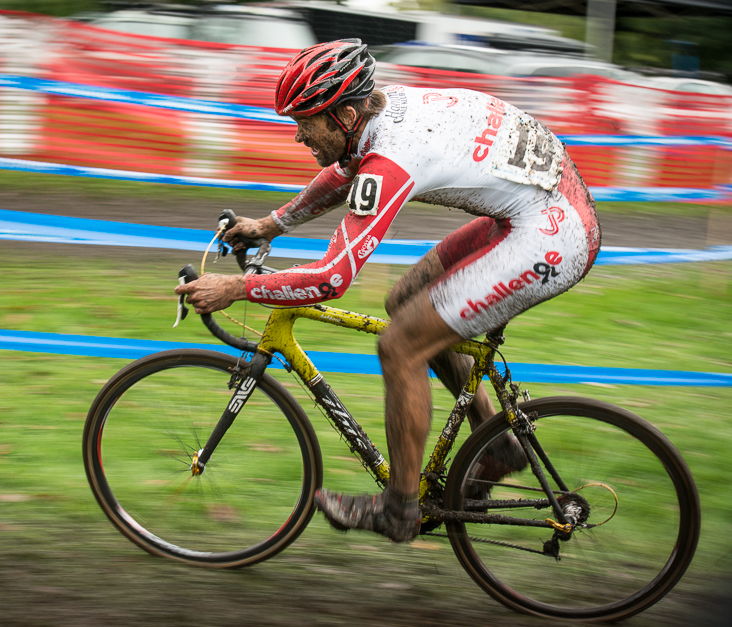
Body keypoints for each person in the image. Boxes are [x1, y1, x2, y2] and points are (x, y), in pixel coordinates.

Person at [174, 39, 601, 543]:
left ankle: (399, 509)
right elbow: (343, 170)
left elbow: (332, 278)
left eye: (304, 124)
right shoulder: (376, 116)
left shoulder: (394, 154)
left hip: (551, 233)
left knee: (400, 344)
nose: (297, 137)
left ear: (346, 114)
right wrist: (272, 224)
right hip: (534, 210)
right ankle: (498, 444)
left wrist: (238, 287)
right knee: (403, 303)